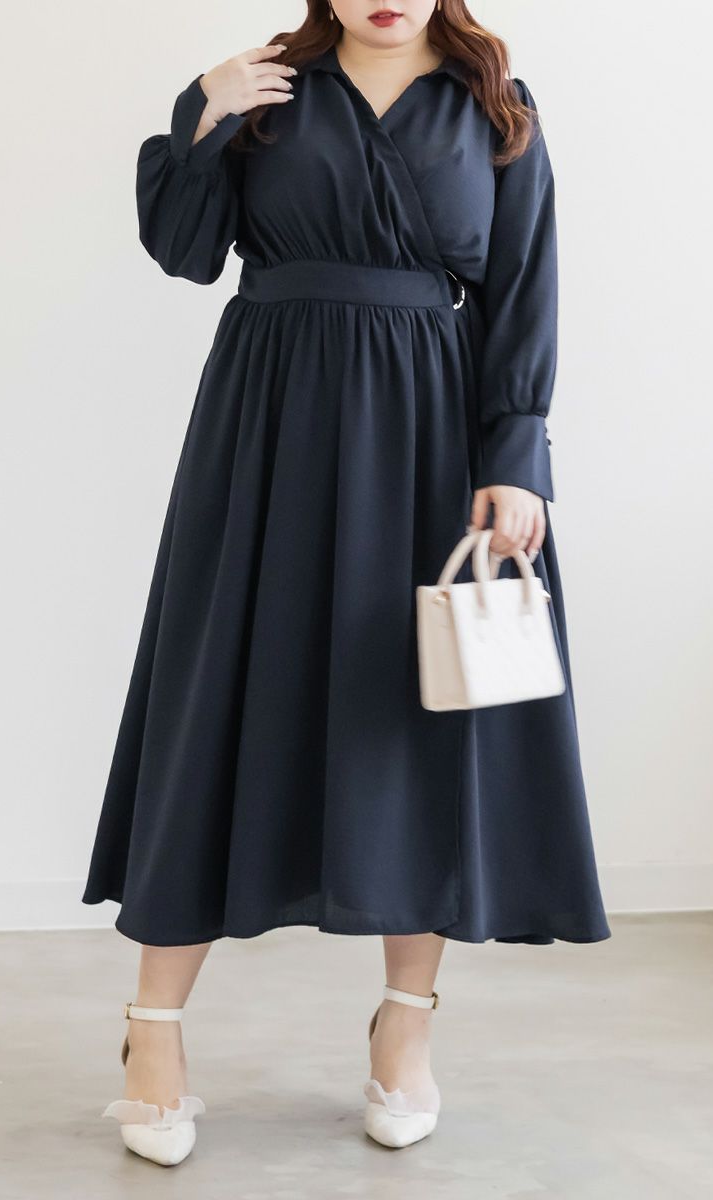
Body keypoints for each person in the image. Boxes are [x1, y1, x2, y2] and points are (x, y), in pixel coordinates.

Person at [82, 0, 611, 1167]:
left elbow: (522, 286)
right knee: (217, 703)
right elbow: (183, 252)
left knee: (415, 720)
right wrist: (205, 114)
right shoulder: (260, 88)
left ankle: (404, 1028)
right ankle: (152, 1031)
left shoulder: (495, 108)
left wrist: (516, 458)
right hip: (267, 424)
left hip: (430, 435)